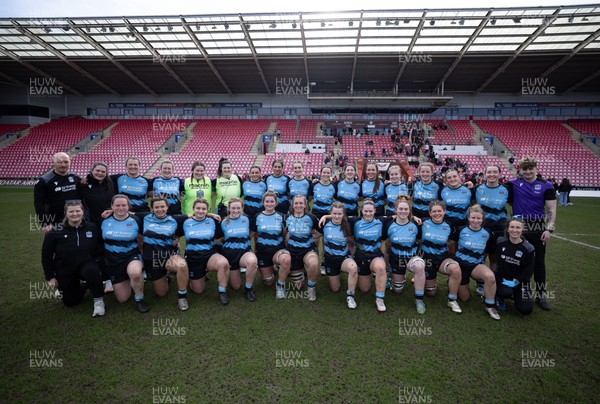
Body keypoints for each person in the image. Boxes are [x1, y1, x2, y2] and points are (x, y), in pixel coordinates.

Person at [505, 156, 556, 310]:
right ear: (520, 170)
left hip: (537, 227)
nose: (527, 172)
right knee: (514, 260)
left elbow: (552, 209)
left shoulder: (546, 185)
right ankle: (516, 290)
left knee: (539, 262)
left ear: (536, 168)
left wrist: (549, 228)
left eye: (530, 168)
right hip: (517, 226)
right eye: (524, 169)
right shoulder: (513, 184)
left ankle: (541, 295)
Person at [41, 200, 105, 317]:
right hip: (65, 268)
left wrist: (99, 264)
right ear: (65, 213)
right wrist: (50, 277)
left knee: (92, 270)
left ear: (83, 212)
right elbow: (46, 255)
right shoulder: (55, 231)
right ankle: (84, 286)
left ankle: (98, 301)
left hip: (87, 265)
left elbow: (102, 247)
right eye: (71, 211)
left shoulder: (92, 228)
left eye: (77, 210)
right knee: (70, 302)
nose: (74, 214)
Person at [137, 197, 190, 311]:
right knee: (161, 294)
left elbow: (195, 214)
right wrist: (111, 211)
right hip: (152, 258)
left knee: (182, 265)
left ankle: (182, 297)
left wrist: (211, 215)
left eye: (162, 206)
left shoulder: (174, 219)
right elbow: (125, 212)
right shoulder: (145, 217)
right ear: (152, 208)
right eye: (156, 207)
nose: (159, 209)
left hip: (168, 255)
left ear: (167, 207)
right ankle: (165, 276)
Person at [100, 194, 148, 313]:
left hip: (131, 256)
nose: (120, 208)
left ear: (128, 206)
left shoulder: (136, 220)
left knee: (135, 273)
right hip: (113, 260)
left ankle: (139, 298)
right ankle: (128, 279)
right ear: (112, 206)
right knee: (123, 299)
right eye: (117, 205)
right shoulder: (104, 220)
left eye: (123, 205)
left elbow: (142, 240)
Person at [451, 205, 500, 320]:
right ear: (468, 218)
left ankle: (490, 305)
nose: (476, 221)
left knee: (490, 277)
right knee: (465, 298)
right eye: (473, 218)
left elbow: (489, 250)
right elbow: (452, 244)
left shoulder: (487, 233)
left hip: (476, 265)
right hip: (461, 266)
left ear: (483, 219)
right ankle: (454, 282)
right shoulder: (461, 230)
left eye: (478, 218)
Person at [347, 199, 393, 312]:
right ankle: (367, 276)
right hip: (360, 257)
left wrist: (414, 218)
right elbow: (337, 216)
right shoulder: (355, 221)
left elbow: (399, 215)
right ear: (361, 211)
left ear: (375, 211)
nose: (368, 213)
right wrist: (325, 217)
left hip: (375, 255)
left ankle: (380, 299)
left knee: (381, 268)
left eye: (370, 211)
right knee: (364, 289)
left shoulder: (381, 221)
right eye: (365, 211)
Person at [183, 198, 231, 305]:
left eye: (203, 209)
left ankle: (222, 292)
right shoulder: (186, 222)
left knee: (223, 263)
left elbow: (221, 236)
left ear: (207, 210)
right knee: (198, 291)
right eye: (198, 208)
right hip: (193, 257)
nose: (200, 211)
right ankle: (197, 275)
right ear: (193, 209)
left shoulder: (213, 221)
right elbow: (175, 233)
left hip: (209, 254)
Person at [420, 201, 464, 314]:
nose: (437, 213)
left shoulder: (449, 225)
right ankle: (425, 279)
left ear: (444, 211)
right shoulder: (423, 222)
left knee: (455, 268)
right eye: (434, 211)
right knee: (431, 293)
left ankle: (452, 300)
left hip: (442, 258)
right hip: (427, 259)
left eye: (439, 211)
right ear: (429, 213)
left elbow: (451, 242)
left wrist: (452, 255)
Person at [386, 196, 427, 314]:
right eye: (401, 209)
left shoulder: (415, 225)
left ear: (409, 211)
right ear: (396, 210)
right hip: (396, 258)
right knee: (397, 290)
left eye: (406, 209)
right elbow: (386, 245)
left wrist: (419, 257)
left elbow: (419, 242)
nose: (403, 211)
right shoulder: (389, 225)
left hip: (411, 257)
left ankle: (419, 300)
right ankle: (398, 277)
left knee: (419, 266)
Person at [473, 164, 509, 296]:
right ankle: (480, 283)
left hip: (499, 228)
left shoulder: (506, 189)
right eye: (489, 172)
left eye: (495, 172)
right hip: (481, 228)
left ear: (499, 174)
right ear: (485, 174)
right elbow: (472, 205)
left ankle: (491, 282)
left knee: (494, 258)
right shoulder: (477, 188)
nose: (492, 175)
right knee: (481, 256)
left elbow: (511, 204)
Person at [317, 202, 359, 309]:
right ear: (331, 213)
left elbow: (371, 217)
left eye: (339, 214)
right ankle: (334, 272)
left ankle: (350, 296)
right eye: (334, 214)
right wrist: (325, 216)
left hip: (343, 258)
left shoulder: (349, 223)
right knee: (335, 289)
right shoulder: (325, 223)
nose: (336, 216)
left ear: (343, 214)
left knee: (353, 268)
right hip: (330, 259)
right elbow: (314, 235)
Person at [218, 198, 259, 302]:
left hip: (244, 252)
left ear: (242, 208)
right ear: (228, 208)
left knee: (253, 261)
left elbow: (252, 232)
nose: (236, 210)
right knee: (236, 286)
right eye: (233, 208)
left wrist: (243, 240)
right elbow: (219, 238)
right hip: (230, 255)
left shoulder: (247, 219)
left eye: (238, 208)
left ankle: (248, 289)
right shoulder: (223, 222)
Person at [251, 190, 292, 291]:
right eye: (267, 201)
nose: (269, 204)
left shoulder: (283, 217)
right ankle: (271, 270)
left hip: (278, 250)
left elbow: (289, 231)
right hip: (263, 252)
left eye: (272, 201)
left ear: (276, 203)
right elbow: (251, 234)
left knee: (286, 260)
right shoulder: (257, 216)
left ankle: (280, 285)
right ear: (263, 202)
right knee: (268, 282)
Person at [282, 195, 320, 301]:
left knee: (313, 263)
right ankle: (301, 271)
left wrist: (314, 239)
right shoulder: (287, 218)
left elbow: (322, 230)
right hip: (293, 252)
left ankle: (311, 287)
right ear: (292, 205)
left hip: (308, 249)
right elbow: (284, 233)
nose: (298, 205)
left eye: (301, 203)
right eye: (296, 203)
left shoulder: (311, 218)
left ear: (305, 205)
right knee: (298, 286)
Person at [494, 218, 535, 314]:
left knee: (526, 309)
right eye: (512, 227)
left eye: (518, 227)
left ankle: (517, 294)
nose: (514, 230)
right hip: (503, 279)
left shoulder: (529, 248)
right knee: (505, 292)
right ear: (507, 229)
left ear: (522, 230)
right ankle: (499, 297)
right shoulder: (500, 242)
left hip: (520, 281)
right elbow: (499, 265)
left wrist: (517, 281)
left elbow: (529, 271)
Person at [34, 152, 80, 232]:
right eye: (60, 162)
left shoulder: (75, 177)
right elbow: (39, 204)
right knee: (55, 244)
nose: (63, 165)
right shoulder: (44, 181)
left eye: (66, 162)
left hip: (74, 219)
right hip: (54, 222)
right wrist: (45, 223)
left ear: (70, 162)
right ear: (54, 163)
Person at [441, 169, 471, 254]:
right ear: (446, 179)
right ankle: (452, 260)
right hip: (449, 221)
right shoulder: (443, 190)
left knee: (462, 244)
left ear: (459, 177)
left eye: (454, 176)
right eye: (449, 177)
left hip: (464, 222)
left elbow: (473, 204)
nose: (452, 179)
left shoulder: (468, 190)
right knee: (450, 243)